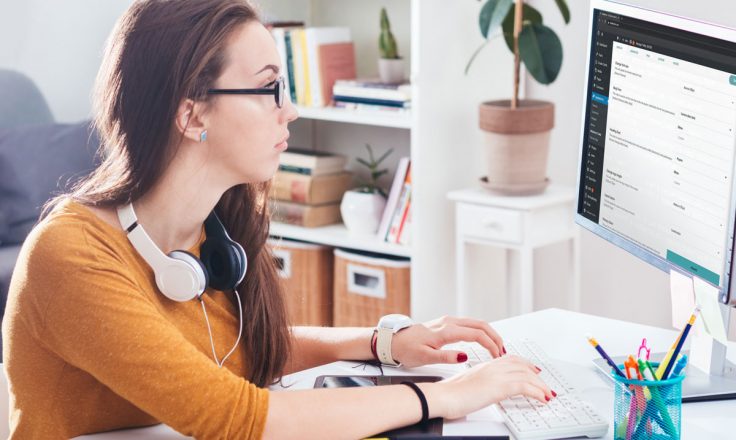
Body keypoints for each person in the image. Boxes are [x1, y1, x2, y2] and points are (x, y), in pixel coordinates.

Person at [2, 0, 553, 438]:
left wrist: (385, 342)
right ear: (192, 112)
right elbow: (233, 417)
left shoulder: (207, 235)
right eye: (269, 89)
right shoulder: (70, 255)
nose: (288, 110)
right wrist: (447, 395)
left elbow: (236, 348)